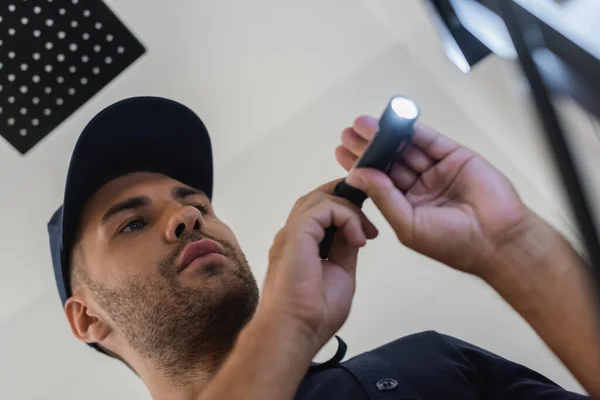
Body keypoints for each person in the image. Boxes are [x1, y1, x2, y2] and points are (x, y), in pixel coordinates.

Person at [48, 97, 600, 400]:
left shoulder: (430, 364)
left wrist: (511, 244)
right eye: (132, 224)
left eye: (197, 204)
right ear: (87, 317)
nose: (186, 216)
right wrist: (286, 326)